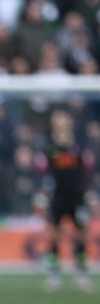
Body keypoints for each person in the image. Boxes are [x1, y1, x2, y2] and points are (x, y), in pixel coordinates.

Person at [42, 109, 93, 292]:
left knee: (80, 234)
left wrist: (89, 192)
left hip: (77, 196)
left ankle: (81, 274)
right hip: (57, 196)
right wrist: (42, 192)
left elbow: (87, 170)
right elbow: (43, 171)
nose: (60, 122)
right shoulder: (49, 145)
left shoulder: (78, 145)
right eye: (57, 119)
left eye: (63, 118)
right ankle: (54, 273)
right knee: (54, 234)